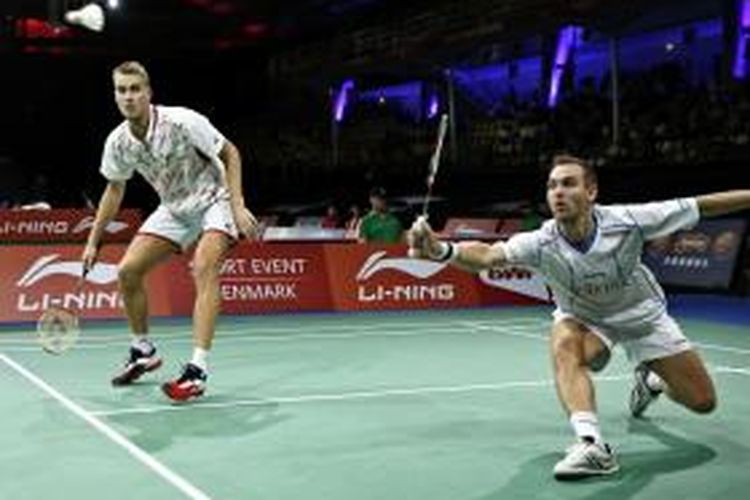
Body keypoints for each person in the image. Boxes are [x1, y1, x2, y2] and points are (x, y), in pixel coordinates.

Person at [408, 154, 750, 479]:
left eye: (569, 184)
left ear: (591, 192)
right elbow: (487, 256)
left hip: (642, 316)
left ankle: (652, 382)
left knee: (703, 402)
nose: (558, 192)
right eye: (552, 185)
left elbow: (701, 205)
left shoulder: (629, 220)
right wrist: (440, 250)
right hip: (586, 320)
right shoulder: (541, 241)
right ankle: (591, 445)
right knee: (566, 344)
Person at [82, 61, 257, 401]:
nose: (129, 96)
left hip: (214, 199)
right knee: (128, 271)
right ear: (115, 95)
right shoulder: (118, 142)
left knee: (203, 266)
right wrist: (93, 242)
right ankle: (143, 350)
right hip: (175, 208)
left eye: (135, 89)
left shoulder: (182, 121)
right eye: (122, 90)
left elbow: (230, 152)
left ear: (148, 93)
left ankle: (197, 371)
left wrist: (237, 205)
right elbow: (114, 190)